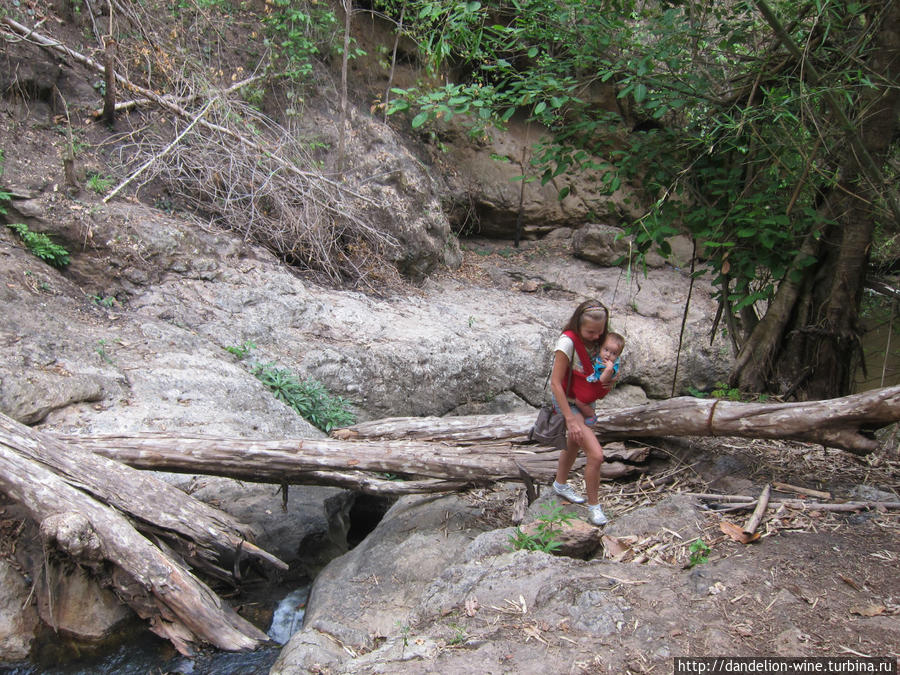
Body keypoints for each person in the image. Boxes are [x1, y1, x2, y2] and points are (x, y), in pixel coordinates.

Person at [548, 300, 618, 526]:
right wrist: (569, 418)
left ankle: (560, 484)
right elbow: (555, 383)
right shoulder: (567, 342)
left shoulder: (599, 341)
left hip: (586, 400)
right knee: (596, 455)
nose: (597, 337)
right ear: (578, 325)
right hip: (568, 402)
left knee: (574, 443)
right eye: (591, 332)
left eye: (600, 332)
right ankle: (594, 507)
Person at [573, 332, 625, 425]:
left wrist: (608, 369)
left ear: (618, 356)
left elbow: (602, 381)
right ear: (601, 347)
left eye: (613, 353)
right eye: (606, 350)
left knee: (579, 402)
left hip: (596, 388)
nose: (608, 355)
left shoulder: (611, 366)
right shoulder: (599, 357)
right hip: (590, 385)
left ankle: (591, 415)